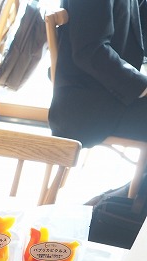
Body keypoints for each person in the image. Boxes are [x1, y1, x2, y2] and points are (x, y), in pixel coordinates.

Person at [48, 0, 147, 149]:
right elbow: (90, 51)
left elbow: (136, 27)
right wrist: (142, 86)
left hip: (112, 97)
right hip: (88, 107)